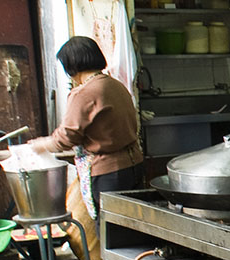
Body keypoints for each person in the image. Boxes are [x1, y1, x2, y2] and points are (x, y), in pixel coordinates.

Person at [29, 36, 144, 219]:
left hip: (108, 173)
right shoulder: (116, 85)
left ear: (71, 66)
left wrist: (42, 144)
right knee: (132, 227)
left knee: (110, 233)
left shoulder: (84, 93)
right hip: (134, 165)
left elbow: (66, 138)